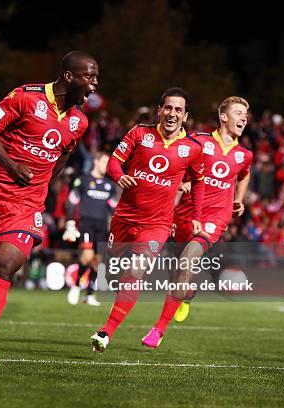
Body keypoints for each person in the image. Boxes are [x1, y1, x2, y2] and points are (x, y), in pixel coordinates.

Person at [0, 51, 99, 368]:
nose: (95, 83)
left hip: (25, 205)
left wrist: (46, 185)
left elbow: (63, 154)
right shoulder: (25, 97)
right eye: (89, 76)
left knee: (5, 266)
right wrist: (11, 166)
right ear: (69, 76)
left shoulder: (79, 121)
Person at [90, 87, 205, 353]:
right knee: (116, 270)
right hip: (123, 218)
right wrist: (119, 176)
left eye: (178, 110)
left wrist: (197, 215)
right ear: (159, 111)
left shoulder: (193, 148)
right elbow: (114, 162)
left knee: (135, 272)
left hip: (157, 225)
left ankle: (106, 332)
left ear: (185, 116)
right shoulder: (139, 133)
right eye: (168, 108)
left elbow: (198, 182)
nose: (172, 114)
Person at [148, 97, 253, 341]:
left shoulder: (244, 155)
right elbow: (179, 163)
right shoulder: (199, 141)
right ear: (223, 117)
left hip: (216, 217)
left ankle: (158, 330)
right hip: (185, 214)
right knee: (177, 271)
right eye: (238, 113)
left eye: (245, 115)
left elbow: (245, 175)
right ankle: (188, 293)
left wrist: (239, 198)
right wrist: (181, 182)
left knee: (187, 260)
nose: (243, 118)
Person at [64, 151, 116, 306]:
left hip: (101, 227)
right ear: (96, 162)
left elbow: (114, 208)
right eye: (105, 162)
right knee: (87, 257)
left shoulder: (110, 185)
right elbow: (72, 202)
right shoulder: (83, 180)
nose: (107, 166)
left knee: (98, 262)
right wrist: (70, 223)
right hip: (86, 225)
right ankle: (76, 286)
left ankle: (90, 295)